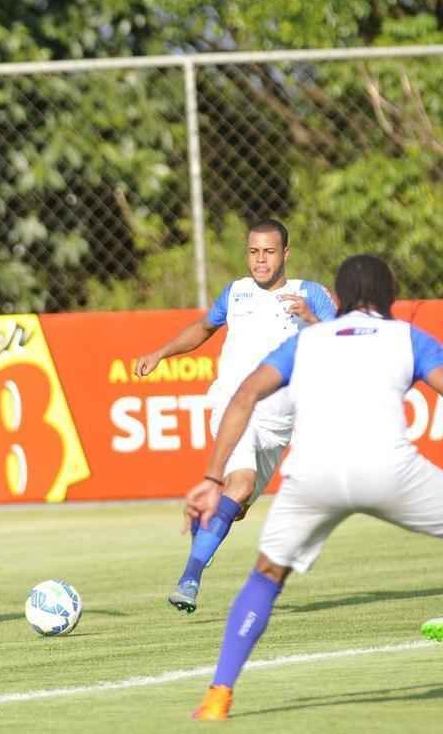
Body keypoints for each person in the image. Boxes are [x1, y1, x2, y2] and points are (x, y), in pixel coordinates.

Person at [186, 254, 443, 721]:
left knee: (266, 575)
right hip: (389, 469)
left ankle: (218, 695)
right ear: (389, 294)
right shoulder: (407, 337)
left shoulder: (308, 340)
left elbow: (245, 395)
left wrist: (211, 477)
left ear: (338, 297)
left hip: (313, 475)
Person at [135, 218, 336, 614]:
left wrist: (313, 319)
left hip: (277, 426)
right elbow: (203, 328)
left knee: (236, 508)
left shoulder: (310, 293)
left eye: (269, 252)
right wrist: (160, 353)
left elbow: (341, 341)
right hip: (234, 408)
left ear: (285, 254)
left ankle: (206, 527)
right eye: (254, 252)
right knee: (240, 485)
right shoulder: (236, 293)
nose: (260, 260)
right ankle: (189, 580)